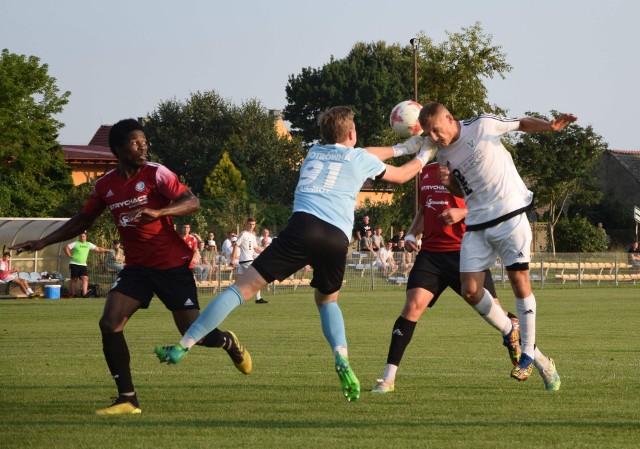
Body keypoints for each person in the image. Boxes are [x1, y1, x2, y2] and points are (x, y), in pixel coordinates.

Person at [154, 105, 437, 402]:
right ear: (352, 133)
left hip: (302, 228)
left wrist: (401, 146)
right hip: (336, 237)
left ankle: (183, 345)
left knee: (242, 289)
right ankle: (341, 357)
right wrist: (423, 151)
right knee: (328, 302)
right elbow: (404, 174)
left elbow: (361, 151)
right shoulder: (360, 158)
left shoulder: (314, 152)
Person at [10, 118, 251, 415]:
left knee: (194, 332)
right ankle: (127, 399)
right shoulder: (105, 185)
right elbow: (82, 221)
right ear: (118, 149)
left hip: (171, 266)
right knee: (109, 323)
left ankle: (228, 341)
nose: (143, 147)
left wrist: (159, 211)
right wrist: (41, 242)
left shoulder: (156, 174)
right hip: (137, 268)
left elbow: (192, 201)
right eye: (136, 143)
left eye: (145, 142)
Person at [419, 101, 576, 381]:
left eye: (435, 130)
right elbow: (462, 188)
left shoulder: (482, 125)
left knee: (519, 282)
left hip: (510, 215)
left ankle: (527, 353)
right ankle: (513, 331)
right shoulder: (443, 156)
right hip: (477, 224)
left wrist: (549, 127)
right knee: (469, 290)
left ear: (449, 119)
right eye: (428, 134)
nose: (433, 137)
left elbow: (522, 122)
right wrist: (448, 184)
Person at [372, 162, 560, 394]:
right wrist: (412, 232)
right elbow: (424, 210)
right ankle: (388, 379)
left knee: (501, 318)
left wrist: (463, 212)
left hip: (468, 252)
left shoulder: (469, 166)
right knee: (411, 307)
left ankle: (541, 361)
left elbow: (495, 204)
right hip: (431, 255)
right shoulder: (426, 170)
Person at [231, 218, 267, 303]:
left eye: (253, 224)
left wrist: (265, 252)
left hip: (246, 261)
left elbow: (256, 248)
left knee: (238, 282)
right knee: (257, 277)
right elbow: (236, 245)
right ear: (246, 224)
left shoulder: (252, 236)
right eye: (250, 224)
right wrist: (232, 258)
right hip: (246, 260)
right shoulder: (243, 234)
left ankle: (231, 297)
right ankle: (258, 298)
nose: (251, 226)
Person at [65, 232, 110, 297]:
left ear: (86, 237)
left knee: (85, 278)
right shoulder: (76, 243)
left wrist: (107, 250)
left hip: (83, 265)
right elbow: (66, 248)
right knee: (74, 279)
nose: (82, 237)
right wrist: (69, 255)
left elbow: (98, 249)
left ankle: (84, 294)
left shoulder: (88, 244)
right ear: (79, 237)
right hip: (74, 264)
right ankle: (73, 294)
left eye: (83, 236)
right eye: (81, 236)